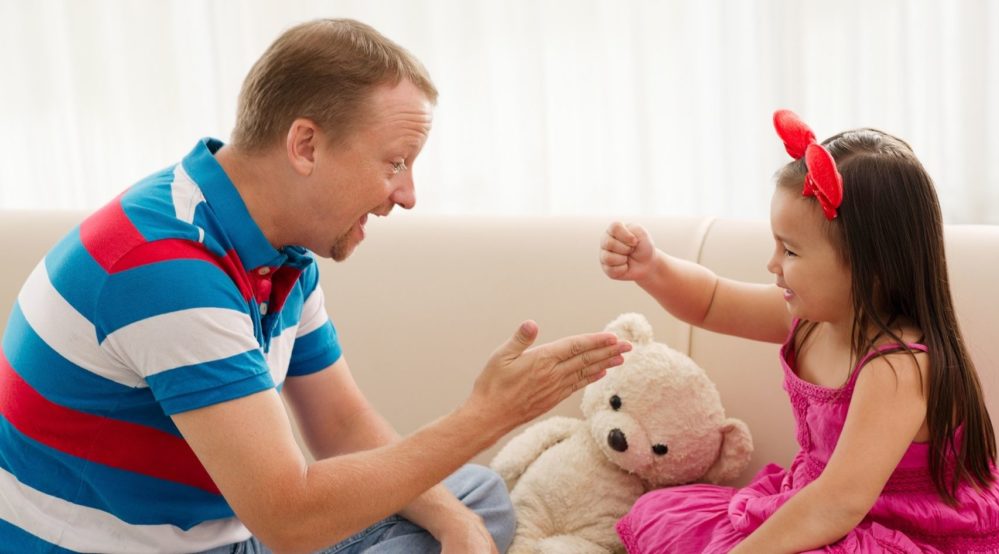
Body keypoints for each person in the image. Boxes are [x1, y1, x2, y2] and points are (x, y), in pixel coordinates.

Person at [0, 18, 632, 553]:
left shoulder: (280, 249)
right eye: (395, 162)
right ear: (305, 144)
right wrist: (484, 417)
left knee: (472, 497)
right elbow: (290, 519)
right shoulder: (167, 270)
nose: (407, 195)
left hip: (232, 531)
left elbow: (340, 423)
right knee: (435, 496)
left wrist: (460, 526)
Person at [601, 110, 999, 552]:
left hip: (900, 535)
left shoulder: (899, 366)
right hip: (818, 511)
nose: (772, 264)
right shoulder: (808, 322)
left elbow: (838, 503)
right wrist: (654, 268)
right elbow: (712, 301)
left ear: (869, 266)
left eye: (791, 250)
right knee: (661, 512)